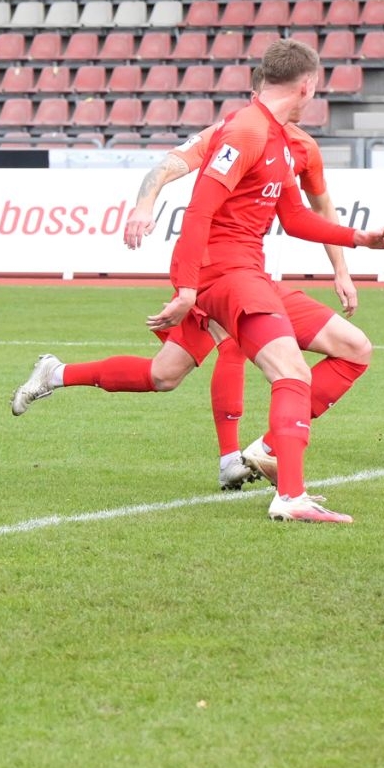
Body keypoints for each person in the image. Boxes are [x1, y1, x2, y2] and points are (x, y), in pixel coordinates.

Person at [10, 41, 384, 524]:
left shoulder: (284, 140)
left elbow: (296, 217)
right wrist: (188, 289)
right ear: (308, 86)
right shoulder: (245, 131)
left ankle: (55, 373)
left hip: (247, 272)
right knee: (292, 372)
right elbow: (199, 210)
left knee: (348, 348)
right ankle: (287, 490)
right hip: (224, 273)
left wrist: (358, 239)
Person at [118, 94, 362, 491]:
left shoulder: (301, 147)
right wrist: (145, 205)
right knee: (230, 348)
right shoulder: (236, 131)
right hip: (213, 266)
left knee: (165, 373)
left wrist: (341, 269)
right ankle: (240, 460)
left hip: (250, 267)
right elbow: (168, 168)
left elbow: (316, 210)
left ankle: (56, 374)